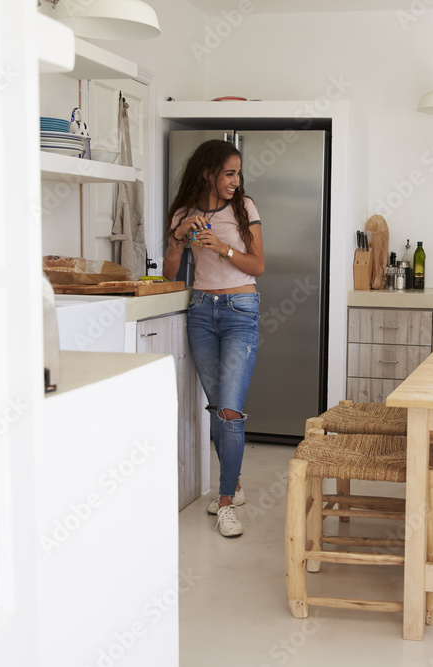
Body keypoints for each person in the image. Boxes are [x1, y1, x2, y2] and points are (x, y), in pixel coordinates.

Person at [164, 139, 264, 538]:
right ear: (207, 173)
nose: (236, 182)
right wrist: (179, 235)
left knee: (230, 412)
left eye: (238, 173)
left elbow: (258, 264)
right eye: (229, 173)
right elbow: (173, 272)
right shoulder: (185, 212)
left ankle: (225, 505)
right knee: (216, 406)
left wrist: (222, 247)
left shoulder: (245, 208)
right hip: (202, 312)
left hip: (241, 309)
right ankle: (234, 486)